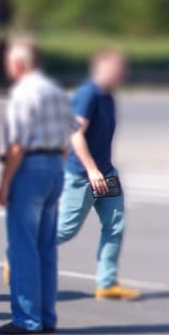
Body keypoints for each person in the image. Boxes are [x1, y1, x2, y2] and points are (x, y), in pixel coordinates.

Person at [0, 41, 77, 335]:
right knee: (46, 246)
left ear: (18, 65)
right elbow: (71, 132)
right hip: (55, 163)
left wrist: (4, 183)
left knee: (23, 245)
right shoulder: (55, 90)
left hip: (29, 166)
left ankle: (27, 318)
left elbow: (17, 144)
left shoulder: (22, 93)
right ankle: (46, 316)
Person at [57, 49, 140, 300]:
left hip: (106, 173)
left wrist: (101, 170)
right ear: (101, 68)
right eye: (118, 68)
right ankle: (19, 254)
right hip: (84, 175)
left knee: (115, 226)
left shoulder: (108, 96)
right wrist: (91, 170)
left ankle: (106, 284)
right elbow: (74, 133)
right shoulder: (87, 94)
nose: (123, 74)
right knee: (65, 230)